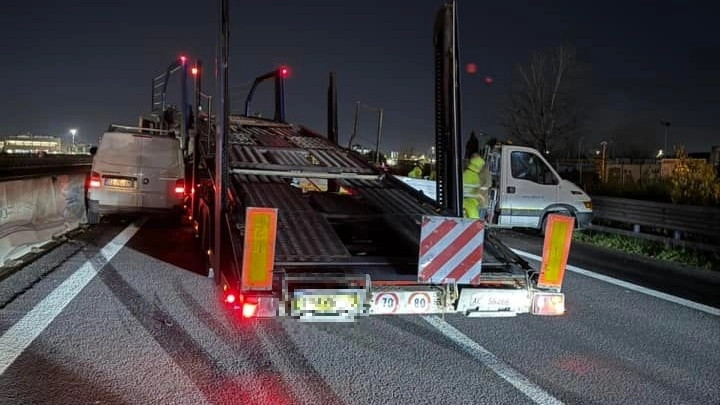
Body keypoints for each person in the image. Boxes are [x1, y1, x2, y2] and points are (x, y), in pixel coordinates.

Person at [462, 154, 492, 220]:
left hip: (478, 203)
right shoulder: (472, 173)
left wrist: (478, 194)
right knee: (476, 224)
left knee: (475, 222)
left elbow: (487, 185)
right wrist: (478, 195)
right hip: (474, 202)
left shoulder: (483, 171)